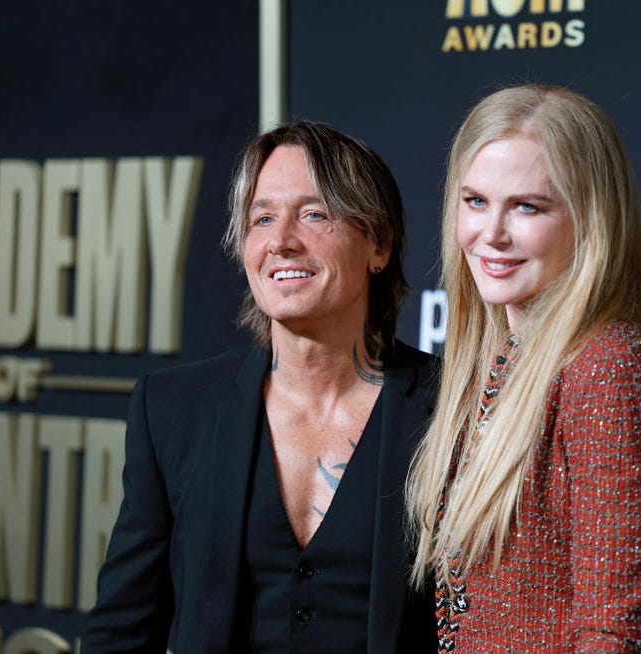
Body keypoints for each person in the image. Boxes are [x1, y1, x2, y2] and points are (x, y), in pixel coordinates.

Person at [82, 120, 438, 653]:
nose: (281, 242)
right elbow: (123, 629)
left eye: (314, 215)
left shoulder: (452, 405)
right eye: (262, 218)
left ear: (378, 244)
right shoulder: (175, 409)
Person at [405, 84, 641, 653]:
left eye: (527, 207)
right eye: (476, 201)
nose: (492, 234)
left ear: (590, 217)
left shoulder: (608, 368)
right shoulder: (498, 357)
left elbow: (613, 635)